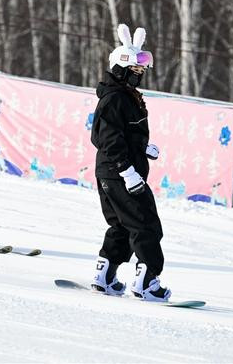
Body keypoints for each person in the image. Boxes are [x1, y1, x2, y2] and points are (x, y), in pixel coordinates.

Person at [89, 24, 171, 302]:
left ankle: (105, 276)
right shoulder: (115, 98)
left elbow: (120, 135)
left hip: (113, 171)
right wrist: (128, 172)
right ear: (120, 68)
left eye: (141, 70)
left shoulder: (122, 96)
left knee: (122, 226)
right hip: (120, 173)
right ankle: (147, 281)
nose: (139, 74)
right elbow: (106, 139)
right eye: (135, 69)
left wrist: (142, 147)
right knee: (145, 224)